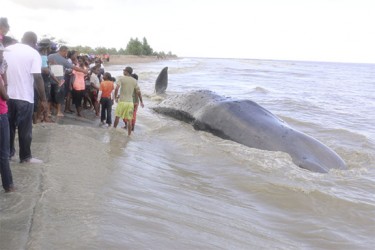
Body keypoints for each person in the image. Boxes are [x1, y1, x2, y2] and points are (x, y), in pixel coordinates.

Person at [4, 31, 48, 163]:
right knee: (25, 129)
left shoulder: (7, 50)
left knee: (8, 128)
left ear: (22, 39)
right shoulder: (34, 53)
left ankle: (9, 154)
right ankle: (25, 157)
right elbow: (38, 77)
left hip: (6, 96)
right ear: (34, 42)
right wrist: (44, 99)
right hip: (25, 97)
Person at [48, 46, 87, 117]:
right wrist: (83, 71)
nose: (66, 54)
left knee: (50, 96)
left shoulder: (50, 56)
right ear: (63, 51)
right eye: (66, 52)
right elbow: (73, 67)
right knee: (59, 96)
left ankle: (48, 111)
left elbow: (47, 64)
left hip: (50, 79)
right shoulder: (63, 60)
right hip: (59, 81)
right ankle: (58, 111)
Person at [0, 43, 14, 192]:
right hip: (1, 114)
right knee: (3, 153)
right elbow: (4, 95)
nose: (2, 56)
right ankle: (8, 186)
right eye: (1, 53)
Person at [113, 66, 141, 136]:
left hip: (122, 101)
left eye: (124, 70)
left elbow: (116, 89)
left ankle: (113, 130)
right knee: (129, 120)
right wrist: (140, 101)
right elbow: (138, 91)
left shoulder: (121, 78)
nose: (123, 71)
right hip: (130, 103)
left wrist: (116, 97)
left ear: (126, 72)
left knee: (117, 116)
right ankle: (129, 135)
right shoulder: (134, 81)